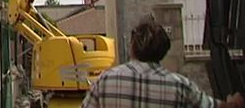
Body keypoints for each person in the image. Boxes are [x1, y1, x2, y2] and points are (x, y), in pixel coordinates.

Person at [81, 16, 245, 108]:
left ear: (132, 47)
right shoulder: (180, 86)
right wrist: (234, 102)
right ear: (164, 51)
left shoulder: (105, 82)